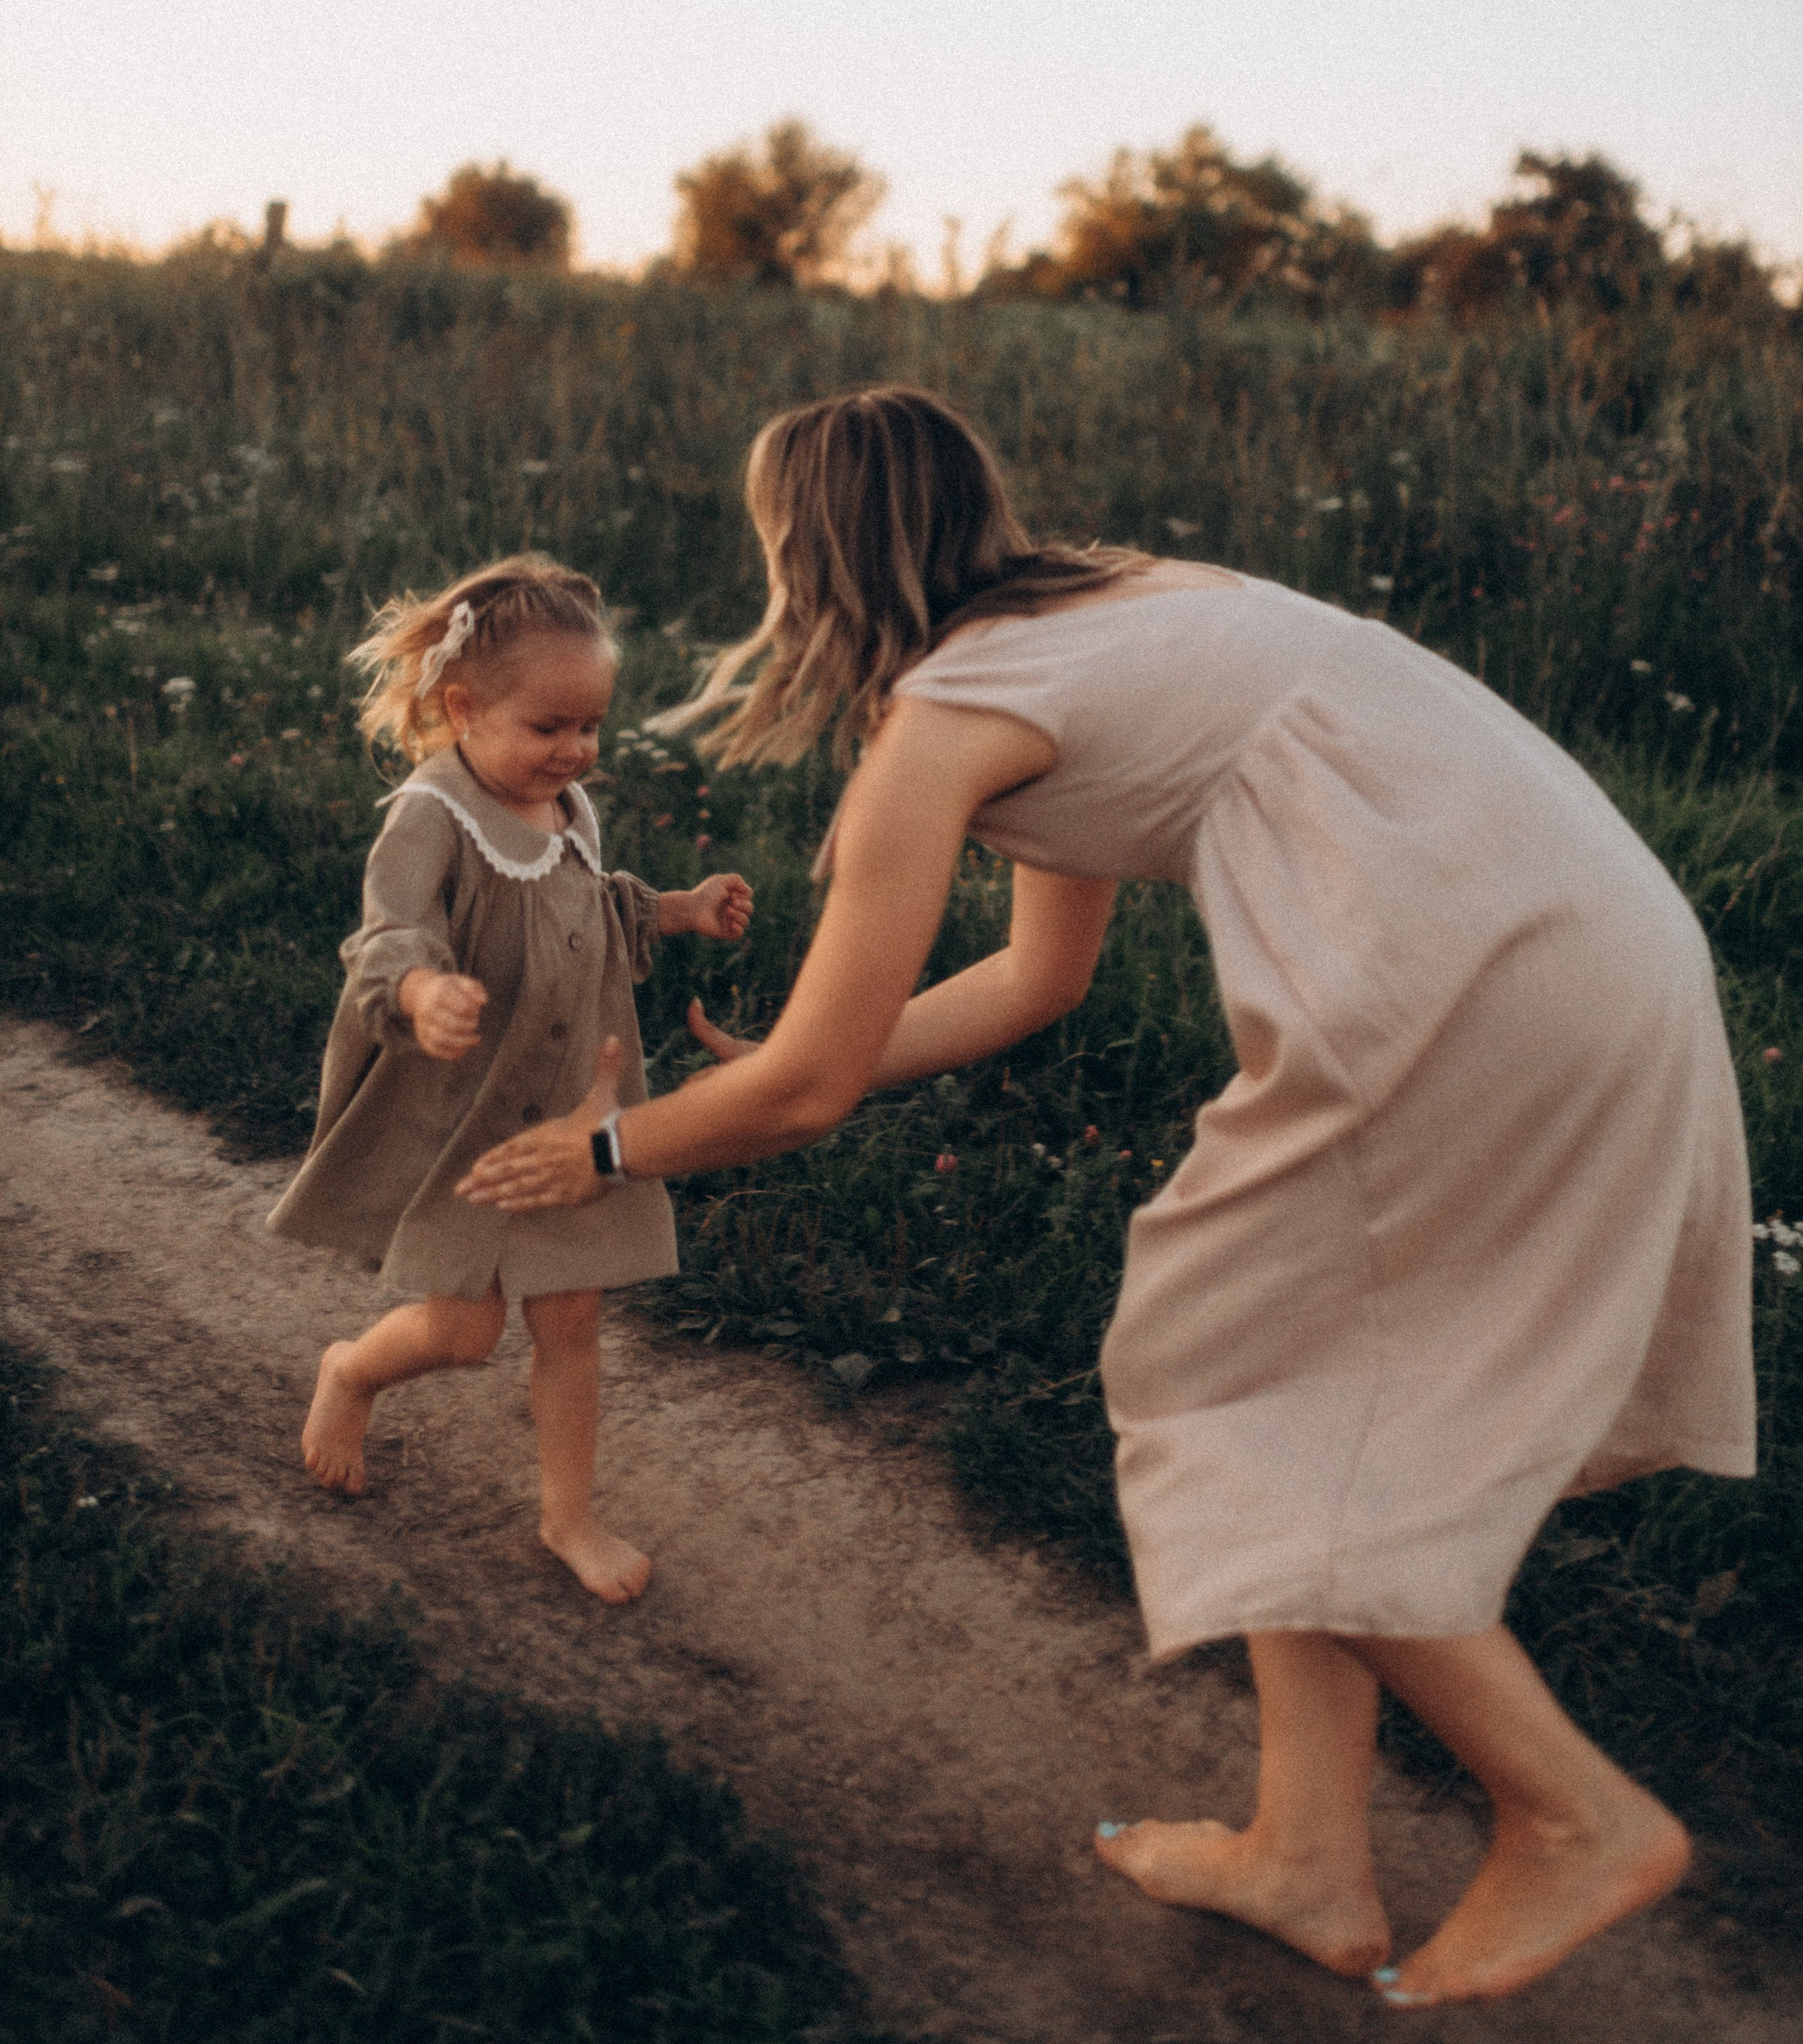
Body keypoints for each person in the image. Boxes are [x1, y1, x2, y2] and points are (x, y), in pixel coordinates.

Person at [456, 390, 1754, 2004]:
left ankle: (1569, 1813)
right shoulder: (1100, 613)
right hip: (1590, 938)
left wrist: (609, 1146)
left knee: (1224, 1378)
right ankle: (1304, 1859)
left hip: (1470, 986)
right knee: (1280, 1362)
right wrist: (792, 1062)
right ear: (967, 507)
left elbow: (799, 1087)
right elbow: (1027, 980)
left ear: (802, 555)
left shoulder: (946, 722)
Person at [268, 553, 751, 1601]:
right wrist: (418, 995)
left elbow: (591, 905)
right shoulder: (430, 816)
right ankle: (351, 1370)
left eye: (591, 729)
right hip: (469, 1117)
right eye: (549, 728)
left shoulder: (566, 807)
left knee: (571, 1319)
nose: (575, 751)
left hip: (575, 1113)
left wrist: (677, 908)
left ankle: (567, 1518)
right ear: (462, 706)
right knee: (463, 1331)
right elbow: (389, 935)